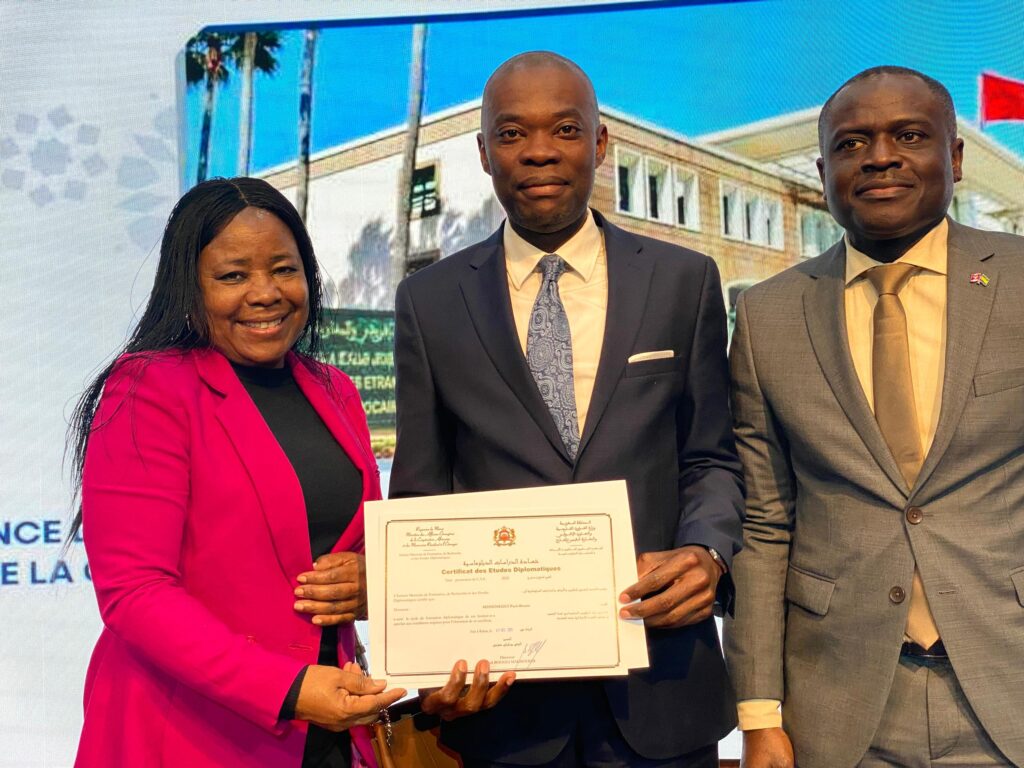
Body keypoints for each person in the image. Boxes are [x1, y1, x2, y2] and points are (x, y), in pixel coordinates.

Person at [389, 52, 745, 768]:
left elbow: (711, 455)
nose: (540, 151)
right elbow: (423, 493)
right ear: (484, 152)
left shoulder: (684, 281)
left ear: (600, 142)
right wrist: (430, 657)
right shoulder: (430, 302)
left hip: (663, 686)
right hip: (504, 705)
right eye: (512, 133)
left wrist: (707, 553)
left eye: (565, 129)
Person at [725, 66, 1024, 768]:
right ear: (823, 171)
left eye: (909, 136)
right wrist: (759, 714)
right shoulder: (768, 315)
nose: (880, 157)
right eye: (852, 143)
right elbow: (764, 526)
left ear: (954, 157)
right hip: (838, 709)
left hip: (1010, 686)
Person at [69, 177, 407, 768]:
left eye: (284, 269)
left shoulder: (336, 391)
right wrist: (289, 688)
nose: (265, 293)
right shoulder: (148, 387)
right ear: (189, 286)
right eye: (232, 275)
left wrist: (373, 585)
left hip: (328, 726)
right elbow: (135, 593)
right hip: (189, 733)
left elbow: (354, 550)